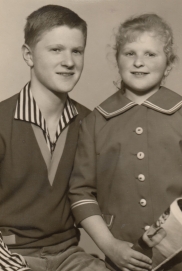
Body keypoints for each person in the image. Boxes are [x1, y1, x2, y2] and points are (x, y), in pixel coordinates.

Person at [69, 13, 182, 271]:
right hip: (123, 256)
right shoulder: (96, 121)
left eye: (151, 54)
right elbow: (81, 192)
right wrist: (109, 246)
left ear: (169, 63)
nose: (139, 62)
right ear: (117, 58)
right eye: (130, 53)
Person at [0, 4, 109, 271]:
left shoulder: (90, 122)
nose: (69, 62)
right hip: (10, 255)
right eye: (56, 49)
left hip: (69, 254)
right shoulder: (2, 120)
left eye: (77, 51)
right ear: (28, 55)